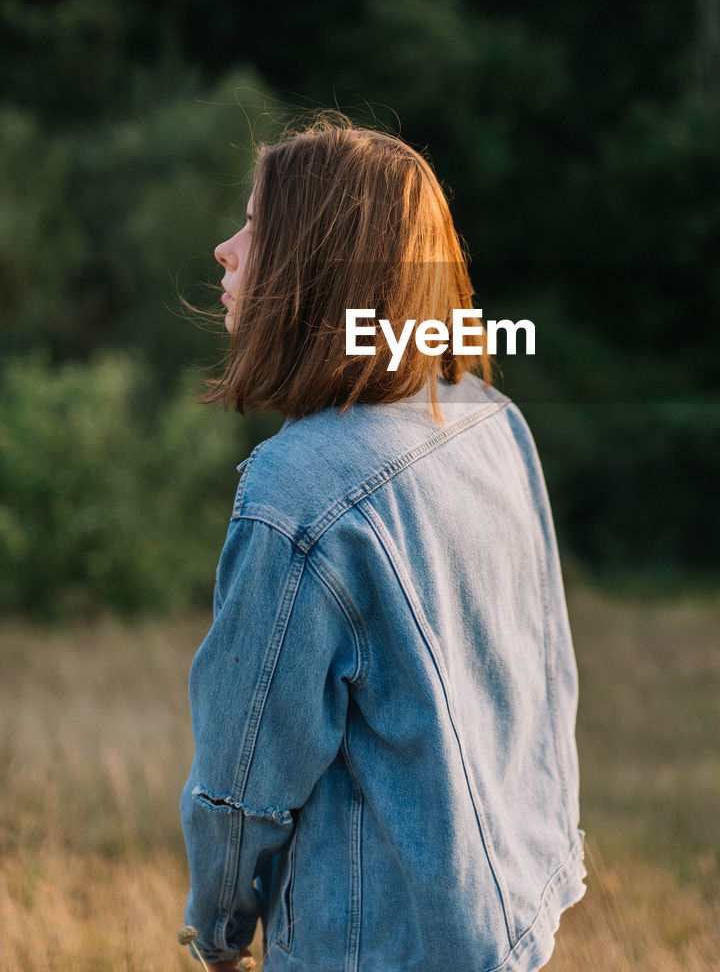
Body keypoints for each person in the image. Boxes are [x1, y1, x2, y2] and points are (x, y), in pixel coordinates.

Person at [179, 113, 586, 971]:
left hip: (374, 944)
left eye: (256, 224)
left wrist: (217, 928)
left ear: (313, 266)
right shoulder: (487, 416)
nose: (226, 247)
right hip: (509, 923)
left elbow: (242, 776)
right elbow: (545, 676)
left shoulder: (296, 491)